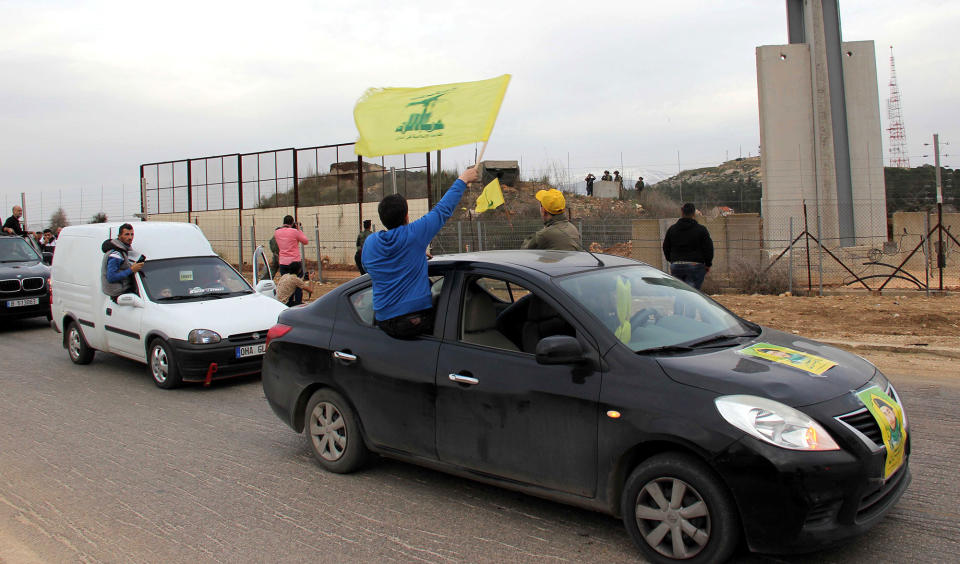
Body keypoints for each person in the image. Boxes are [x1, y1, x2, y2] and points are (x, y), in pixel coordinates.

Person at [363, 166, 480, 339]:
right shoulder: (414, 235)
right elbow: (442, 210)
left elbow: (369, 267)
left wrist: (413, 253)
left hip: (383, 320)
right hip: (413, 321)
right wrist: (463, 178)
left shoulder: (370, 243)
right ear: (406, 216)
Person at [662, 203, 714, 290]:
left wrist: (672, 260)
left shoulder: (672, 229)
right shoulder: (701, 230)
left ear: (682, 212)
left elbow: (666, 247)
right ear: (694, 214)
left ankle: (679, 304)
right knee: (692, 294)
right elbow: (708, 248)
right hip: (695, 265)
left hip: (676, 265)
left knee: (679, 293)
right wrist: (708, 264)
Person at [101, 223, 143, 300]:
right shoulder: (116, 254)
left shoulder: (124, 250)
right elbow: (111, 277)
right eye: (126, 234)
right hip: (119, 294)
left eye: (132, 234)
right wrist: (131, 270)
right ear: (119, 236)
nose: (130, 237)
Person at [274, 215, 309, 304]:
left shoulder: (277, 232)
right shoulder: (294, 232)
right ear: (292, 223)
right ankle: (298, 302)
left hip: (283, 262)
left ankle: (288, 302)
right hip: (294, 261)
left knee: (287, 283)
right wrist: (298, 230)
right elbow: (305, 241)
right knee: (297, 283)